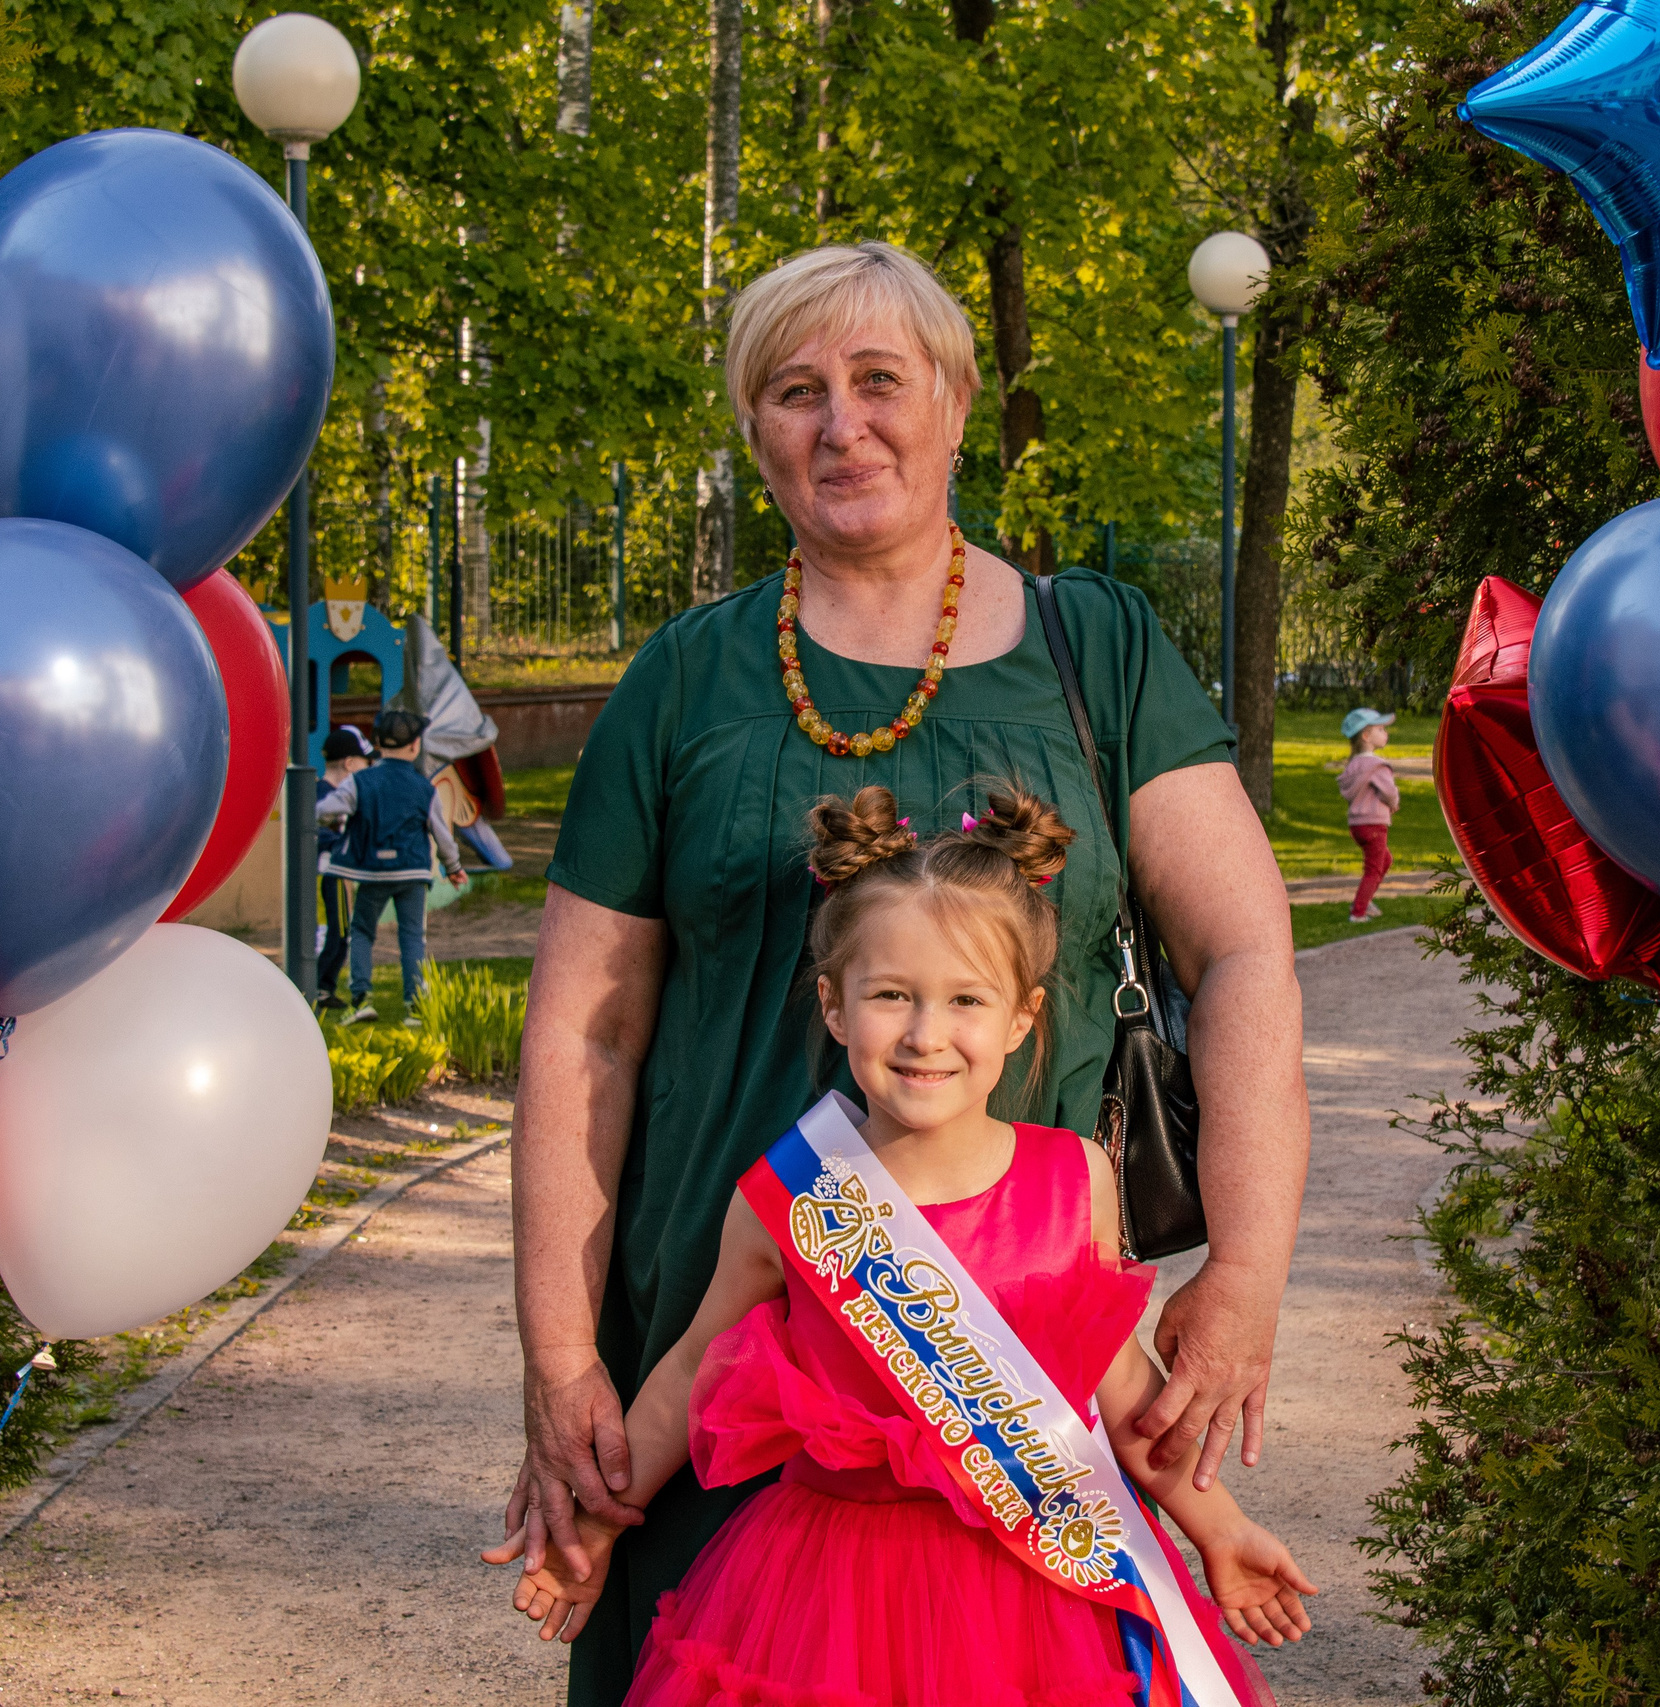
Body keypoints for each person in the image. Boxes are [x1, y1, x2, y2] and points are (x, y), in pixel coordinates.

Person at [511, 239, 1308, 1703]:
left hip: (1021, 1376)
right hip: (736, 1367)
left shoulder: (1100, 647)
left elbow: (1245, 950)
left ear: (952, 404)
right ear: (756, 431)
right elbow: (587, 1029)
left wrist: (1246, 1268)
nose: (842, 422)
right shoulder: (683, 680)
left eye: (880, 381)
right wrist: (564, 1356)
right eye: (795, 390)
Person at [486, 787, 1314, 1704]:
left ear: (1020, 1019)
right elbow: (692, 1374)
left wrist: (1218, 1528)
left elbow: (1113, 1388)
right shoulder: (790, 1199)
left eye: (966, 998)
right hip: (823, 1597)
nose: (926, 1034)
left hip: (1036, 1599)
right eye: (892, 996)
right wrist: (596, 1523)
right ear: (836, 1008)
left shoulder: (1077, 1179)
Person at [319, 708, 465, 1025]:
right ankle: (414, 1007)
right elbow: (442, 833)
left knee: (361, 931)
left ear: (378, 745)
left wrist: (327, 818)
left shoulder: (360, 782)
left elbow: (327, 809)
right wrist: (453, 867)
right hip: (412, 872)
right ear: (415, 746)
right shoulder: (423, 788)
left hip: (371, 871)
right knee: (412, 936)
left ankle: (361, 999)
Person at [314, 725, 374, 1012]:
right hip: (326, 872)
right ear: (350, 764)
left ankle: (323, 987)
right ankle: (318, 986)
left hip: (334, 872)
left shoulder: (334, 795)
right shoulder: (323, 794)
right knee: (333, 932)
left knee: (339, 931)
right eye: (365, 763)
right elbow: (319, 834)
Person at [1337, 708, 1401, 922]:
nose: (1385, 733)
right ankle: (1358, 912)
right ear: (1366, 736)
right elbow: (1389, 792)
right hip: (1375, 824)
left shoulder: (1354, 765)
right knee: (1373, 869)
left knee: (1385, 860)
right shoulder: (1377, 766)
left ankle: (1364, 900)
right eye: (1380, 729)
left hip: (1357, 825)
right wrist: (1394, 804)